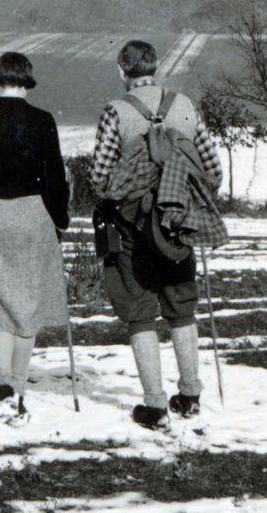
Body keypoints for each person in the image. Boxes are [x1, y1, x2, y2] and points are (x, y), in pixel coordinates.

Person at [90, 39, 224, 430]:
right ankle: (191, 395)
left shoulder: (116, 111)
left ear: (121, 71)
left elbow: (99, 180)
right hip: (178, 225)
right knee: (182, 306)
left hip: (133, 227)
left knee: (140, 312)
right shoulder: (184, 105)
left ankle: (155, 405)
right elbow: (213, 172)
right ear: (156, 68)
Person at [0, 51, 71, 425]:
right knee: (28, 305)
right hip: (32, 215)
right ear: (26, 80)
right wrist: (60, 222)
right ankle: (16, 392)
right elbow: (55, 179)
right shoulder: (43, 120)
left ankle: (2, 387)